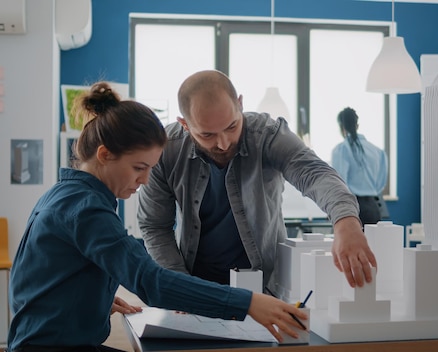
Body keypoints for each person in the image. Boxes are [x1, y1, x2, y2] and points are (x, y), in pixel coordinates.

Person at [8, 82, 307, 352]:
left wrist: (87, 298)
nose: (145, 180)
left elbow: (32, 283)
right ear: (104, 155)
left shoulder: (64, 194)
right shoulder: (86, 209)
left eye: (150, 168)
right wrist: (249, 303)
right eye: (139, 168)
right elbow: (152, 283)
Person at [137, 70, 376, 291]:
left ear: (240, 104)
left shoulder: (268, 135)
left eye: (232, 126)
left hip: (265, 287)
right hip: (197, 285)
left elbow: (315, 174)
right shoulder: (166, 150)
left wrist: (346, 222)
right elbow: (154, 225)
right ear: (185, 125)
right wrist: (180, 285)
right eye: (207, 135)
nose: (223, 143)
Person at [331, 107, 388, 225]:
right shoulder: (377, 151)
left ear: (341, 127)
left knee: (348, 243)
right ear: (357, 125)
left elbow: (339, 183)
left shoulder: (341, 150)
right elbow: (380, 184)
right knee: (373, 243)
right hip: (373, 207)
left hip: (351, 208)